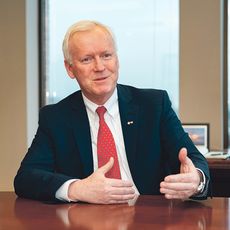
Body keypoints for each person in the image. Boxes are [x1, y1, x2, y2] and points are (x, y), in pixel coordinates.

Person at [14, 20, 210, 204]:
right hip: (85, 220)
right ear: (70, 68)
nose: (100, 67)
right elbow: (25, 178)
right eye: (87, 59)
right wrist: (76, 188)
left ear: (117, 60)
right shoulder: (56, 117)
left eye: (106, 55)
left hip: (149, 218)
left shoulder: (154, 105)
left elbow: (195, 160)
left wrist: (196, 181)